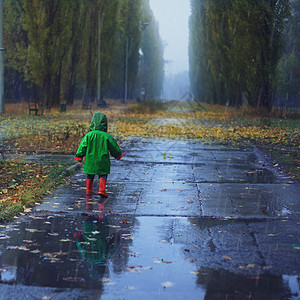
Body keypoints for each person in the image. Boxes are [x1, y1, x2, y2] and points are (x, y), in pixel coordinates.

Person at [75, 112, 123, 197]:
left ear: (92, 122)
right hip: (103, 159)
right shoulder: (106, 136)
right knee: (103, 174)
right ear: (105, 124)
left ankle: (89, 190)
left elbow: (83, 146)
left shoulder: (89, 135)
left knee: (90, 174)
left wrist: (79, 156)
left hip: (90, 159)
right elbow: (113, 146)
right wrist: (117, 155)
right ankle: (101, 190)